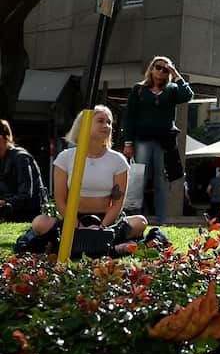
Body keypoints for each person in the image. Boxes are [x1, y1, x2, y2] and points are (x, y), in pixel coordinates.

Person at [18, 106, 148, 255]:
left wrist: (101, 227)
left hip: (105, 220)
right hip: (72, 220)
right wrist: (77, 226)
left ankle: (81, 243)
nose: (106, 126)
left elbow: (117, 203)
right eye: (100, 121)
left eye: (109, 122)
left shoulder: (118, 160)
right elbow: (60, 201)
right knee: (39, 223)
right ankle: (108, 246)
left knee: (140, 222)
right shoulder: (65, 158)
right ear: (84, 124)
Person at [122, 55, 194, 224]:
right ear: (151, 69)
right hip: (142, 139)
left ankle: (161, 219)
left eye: (165, 68)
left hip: (164, 141)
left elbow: (188, 95)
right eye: (158, 67)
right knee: (139, 177)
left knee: (161, 179)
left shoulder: (173, 89)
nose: (161, 71)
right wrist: (128, 142)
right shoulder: (138, 89)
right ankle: (136, 217)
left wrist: (175, 73)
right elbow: (130, 117)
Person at [0, 119, 46, 222]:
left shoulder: (21, 158)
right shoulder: (4, 158)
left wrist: (4, 201)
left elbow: (26, 196)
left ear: (1, 138)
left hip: (28, 215)